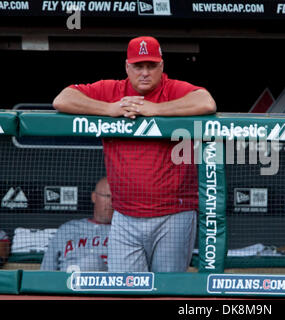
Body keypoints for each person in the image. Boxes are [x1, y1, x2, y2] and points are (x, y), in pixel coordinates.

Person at [52, 36, 216, 272]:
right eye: (138, 66)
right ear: (127, 67)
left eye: (151, 66)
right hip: (125, 216)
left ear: (162, 66)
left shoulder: (173, 89)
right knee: (125, 291)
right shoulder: (112, 91)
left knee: (166, 291)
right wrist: (109, 108)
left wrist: (157, 110)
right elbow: (62, 99)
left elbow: (206, 102)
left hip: (173, 214)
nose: (145, 73)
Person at [40, 177, 113, 271]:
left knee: (92, 262)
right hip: (65, 283)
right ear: (94, 197)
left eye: (116, 198)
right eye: (107, 196)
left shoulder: (123, 233)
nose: (112, 203)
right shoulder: (67, 229)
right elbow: (47, 270)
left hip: (103, 283)